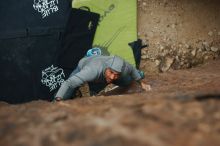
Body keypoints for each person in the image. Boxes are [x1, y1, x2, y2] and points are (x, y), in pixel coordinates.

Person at [54, 55, 151, 101]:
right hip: (85, 65)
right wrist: (58, 98)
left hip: (102, 73)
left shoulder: (124, 68)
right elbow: (68, 83)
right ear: (107, 68)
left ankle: (92, 90)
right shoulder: (91, 71)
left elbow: (132, 70)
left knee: (127, 81)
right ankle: (77, 89)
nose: (113, 77)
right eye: (112, 72)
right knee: (67, 93)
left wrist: (141, 83)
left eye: (116, 74)